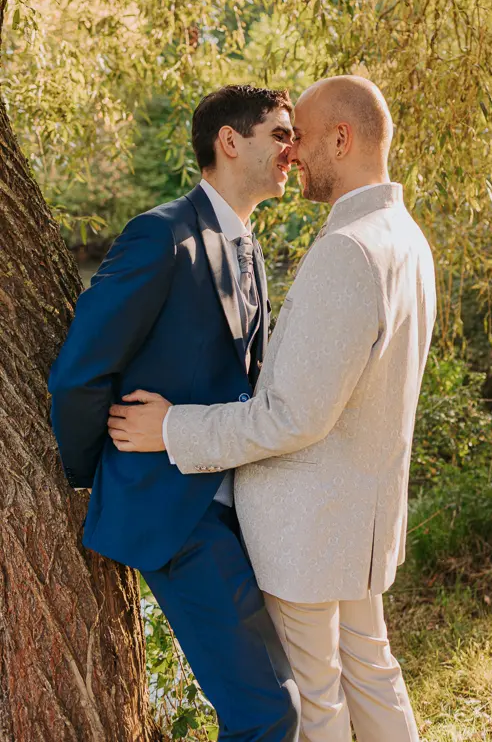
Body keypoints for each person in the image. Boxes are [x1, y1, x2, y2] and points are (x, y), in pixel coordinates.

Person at [108, 75, 437, 742]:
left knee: (317, 703)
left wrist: (171, 426)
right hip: (360, 521)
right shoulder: (404, 237)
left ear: (341, 140)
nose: (292, 155)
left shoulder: (347, 249)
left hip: (310, 529)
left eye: (303, 139)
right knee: (370, 673)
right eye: (282, 140)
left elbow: (293, 415)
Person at [49, 85, 300, 742]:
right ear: (229, 141)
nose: (291, 150)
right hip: (173, 513)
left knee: (282, 697)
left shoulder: (246, 244)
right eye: (278, 133)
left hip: (232, 507)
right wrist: (92, 475)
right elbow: (79, 372)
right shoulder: (160, 236)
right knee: (267, 712)